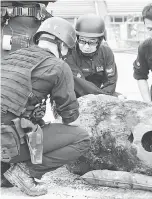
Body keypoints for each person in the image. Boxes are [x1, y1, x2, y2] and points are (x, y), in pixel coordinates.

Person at [1, 17, 90, 196]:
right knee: (81, 138)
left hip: (5, 135)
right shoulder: (58, 66)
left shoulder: (10, 57)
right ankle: (25, 172)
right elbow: (70, 118)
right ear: (63, 45)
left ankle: (3, 173)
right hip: (5, 141)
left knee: (31, 123)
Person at [65, 14, 121, 98]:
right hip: (74, 94)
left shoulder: (106, 52)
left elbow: (111, 82)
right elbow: (81, 85)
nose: (86, 47)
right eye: (82, 41)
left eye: (92, 42)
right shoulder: (69, 53)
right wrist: (103, 96)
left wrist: (107, 97)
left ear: (100, 41)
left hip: (100, 93)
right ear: (77, 38)